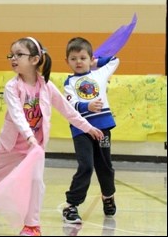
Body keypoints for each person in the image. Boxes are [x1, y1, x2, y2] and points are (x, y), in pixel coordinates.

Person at [0, 37, 104, 236]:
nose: (13, 59)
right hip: (11, 145)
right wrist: (29, 138)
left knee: (36, 183)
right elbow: (17, 116)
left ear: (34, 60)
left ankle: (32, 225)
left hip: (35, 147)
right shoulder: (11, 87)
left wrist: (87, 127)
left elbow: (67, 110)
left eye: (19, 55)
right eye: (11, 55)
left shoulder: (47, 86)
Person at [62, 37, 119, 224]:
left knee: (105, 165)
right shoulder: (68, 83)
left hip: (103, 129)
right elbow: (71, 105)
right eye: (73, 58)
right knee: (86, 165)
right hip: (81, 131)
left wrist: (96, 62)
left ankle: (108, 196)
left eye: (83, 57)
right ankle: (72, 205)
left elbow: (115, 60)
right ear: (67, 61)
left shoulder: (100, 74)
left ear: (90, 59)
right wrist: (88, 106)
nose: (78, 61)